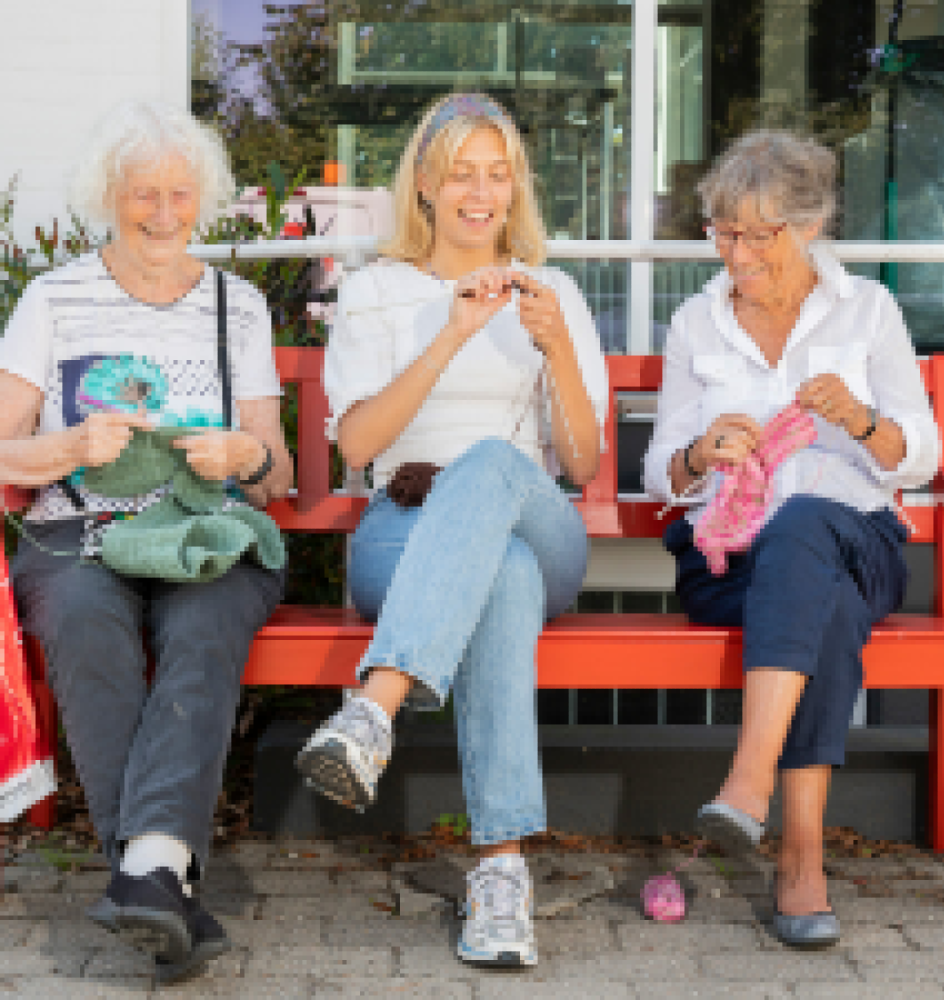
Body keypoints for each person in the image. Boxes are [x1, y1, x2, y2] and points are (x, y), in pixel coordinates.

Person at [297, 92, 608, 967]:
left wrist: (553, 350)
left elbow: (581, 466)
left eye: (497, 173)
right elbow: (356, 446)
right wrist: (449, 336)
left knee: (493, 472)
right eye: (460, 173)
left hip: (541, 523)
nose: (480, 192)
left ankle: (373, 709)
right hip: (404, 528)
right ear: (426, 186)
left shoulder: (557, 294)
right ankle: (502, 873)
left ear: (515, 188)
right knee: (497, 573)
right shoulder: (377, 291)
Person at [0, 102, 292, 982]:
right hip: (75, 534)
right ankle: (161, 876)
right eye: (142, 194)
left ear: (203, 199)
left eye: (179, 193)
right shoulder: (55, 299)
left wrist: (247, 452)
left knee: (204, 630)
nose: (163, 212)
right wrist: (67, 448)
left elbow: (274, 473)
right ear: (108, 199)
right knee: (88, 626)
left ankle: (146, 870)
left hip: (205, 532)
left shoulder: (236, 307)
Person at [643, 130, 939, 948]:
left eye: (756, 234)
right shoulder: (697, 322)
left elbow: (924, 452)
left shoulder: (870, 310)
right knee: (825, 604)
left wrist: (861, 419)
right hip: (728, 560)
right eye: (723, 232)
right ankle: (801, 857)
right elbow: (656, 474)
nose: (735, 253)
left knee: (807, 522)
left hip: (859, 539)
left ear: (808, 226)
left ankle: (747, 783)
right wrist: (699, 454)